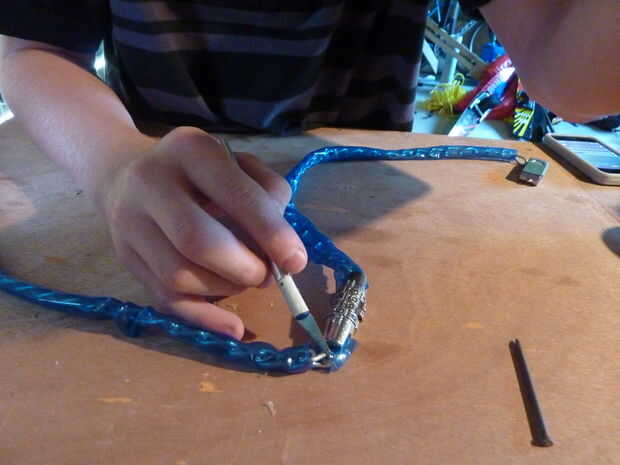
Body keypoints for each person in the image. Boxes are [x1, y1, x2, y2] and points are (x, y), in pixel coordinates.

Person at [0, 0, 617, 339]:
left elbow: (571, 75)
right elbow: (32, 51)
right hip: (152, 186)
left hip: (365, 193)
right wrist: (113, 162)